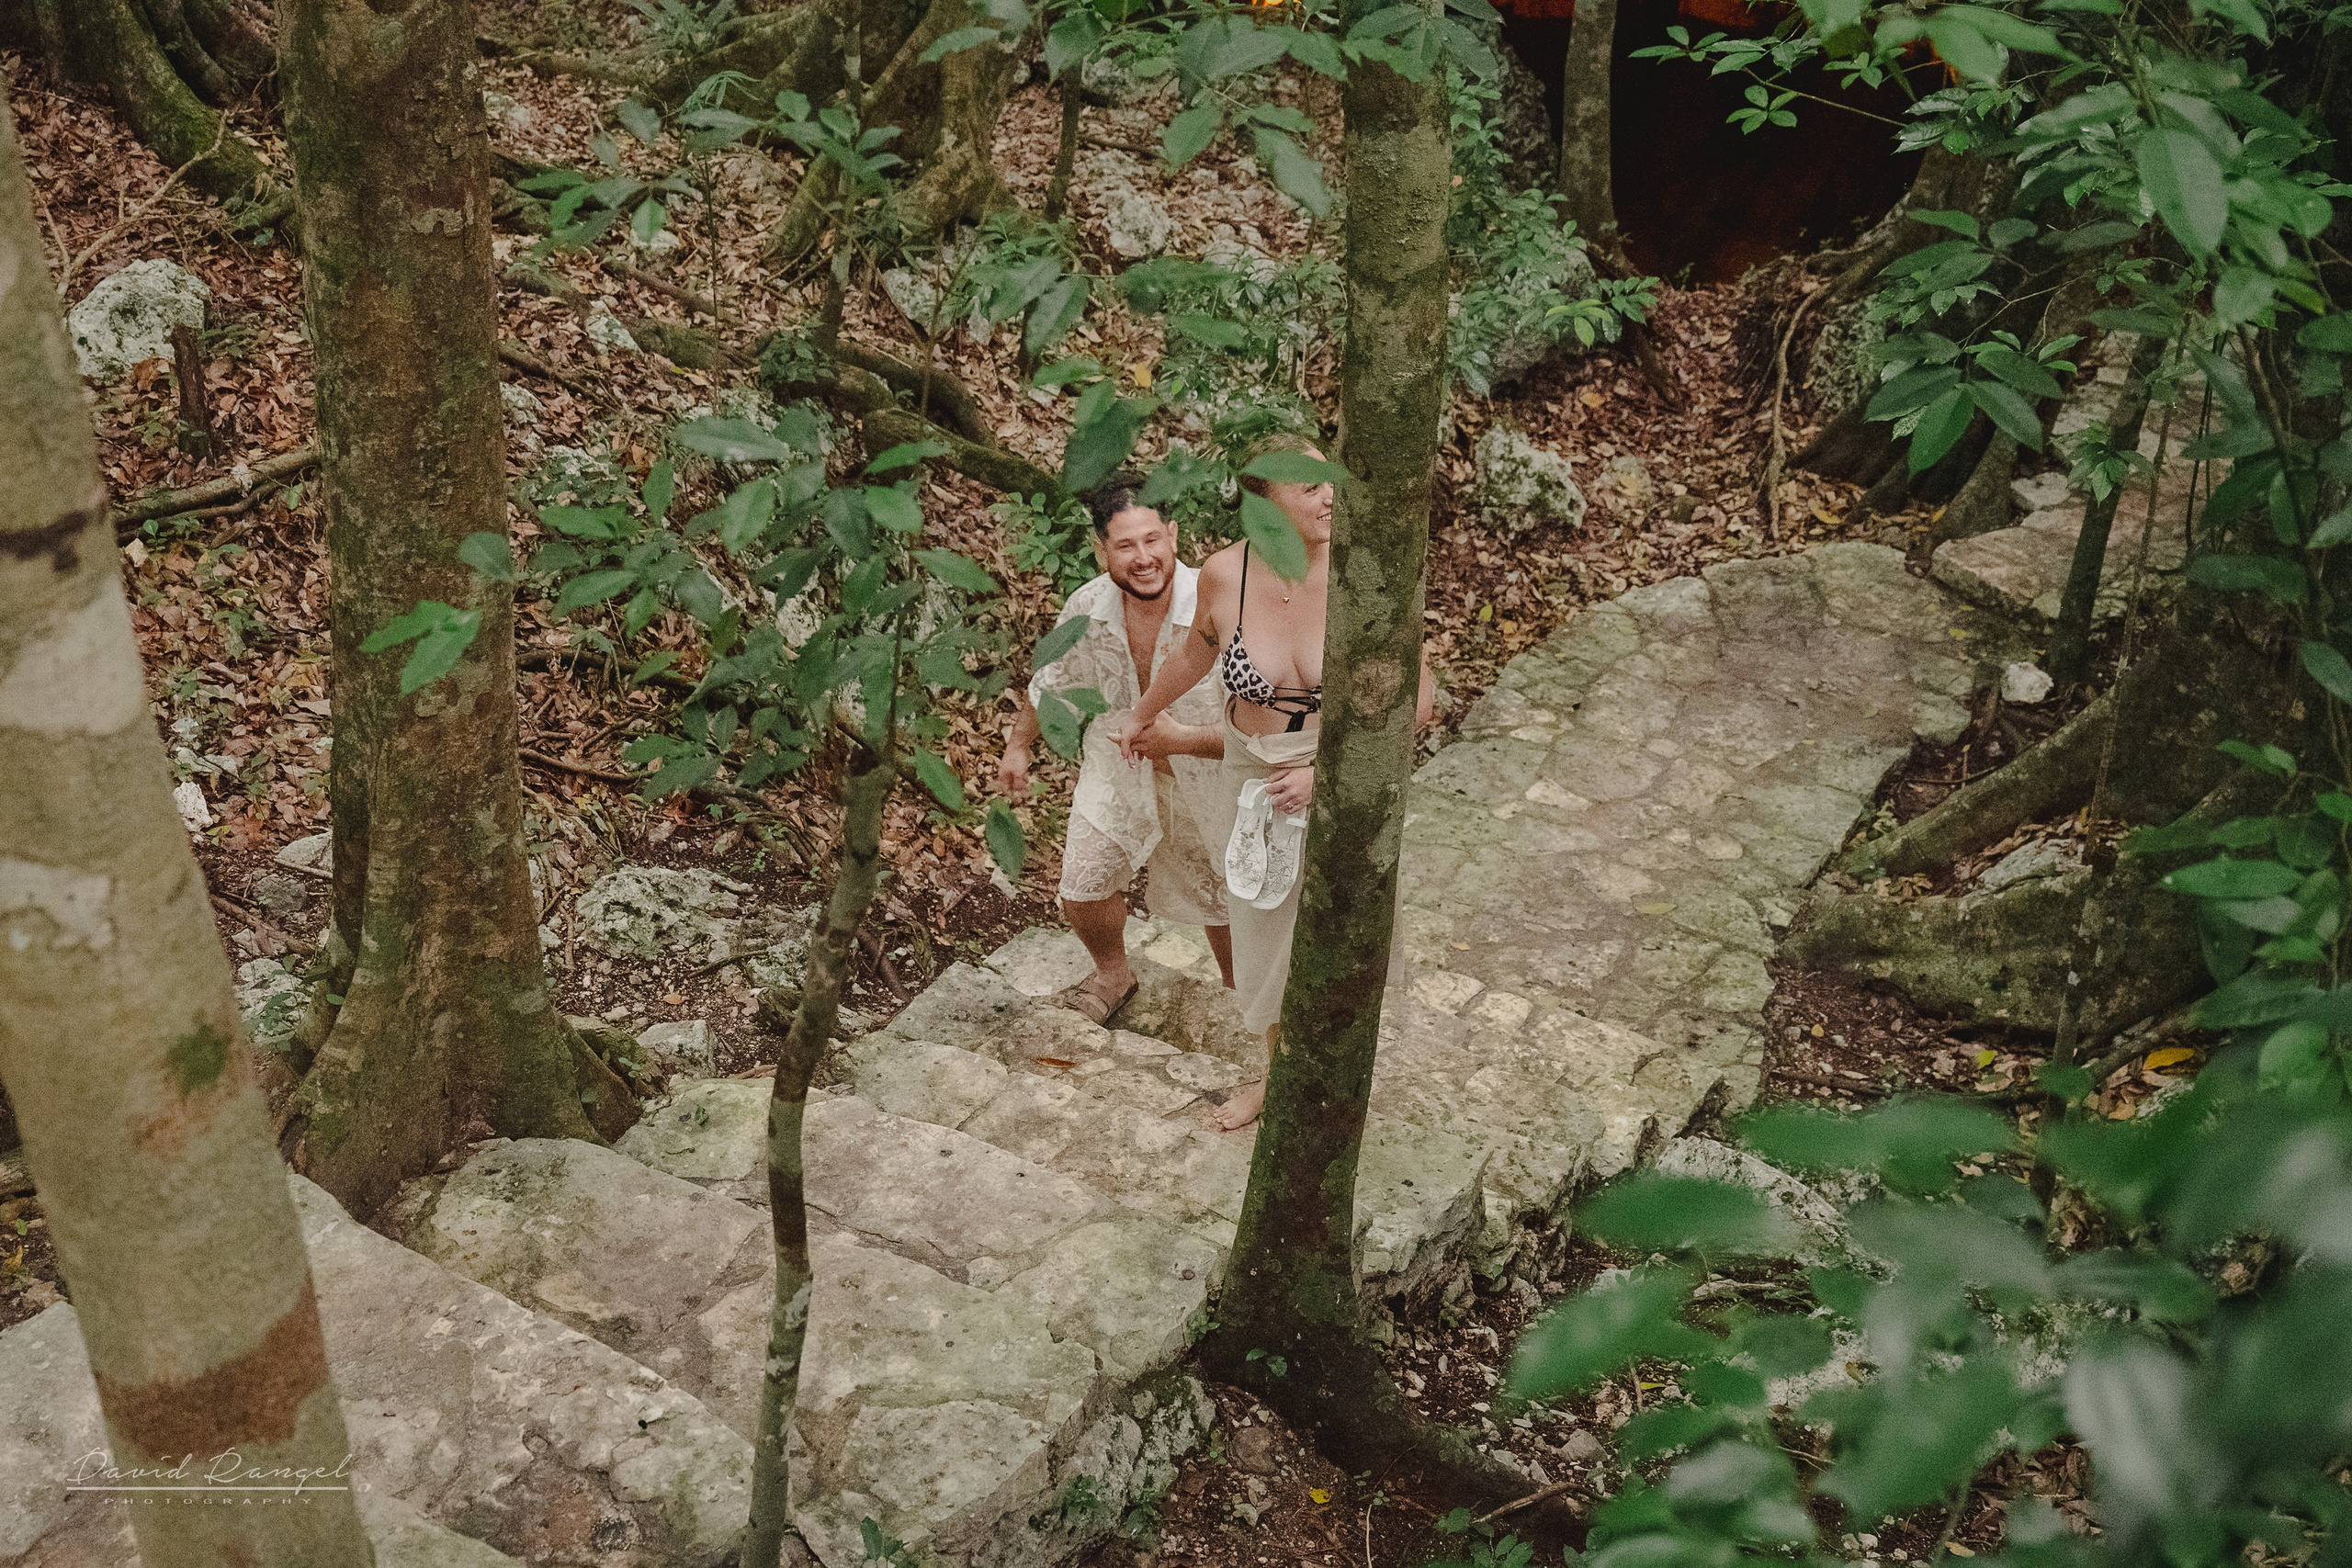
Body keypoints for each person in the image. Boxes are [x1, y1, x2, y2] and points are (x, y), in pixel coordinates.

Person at [1112, 434, 1435, 1131]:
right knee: (1259, 931)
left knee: (1342, 925)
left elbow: (1421, 698)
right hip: (1249, 773)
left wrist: (1328, 776)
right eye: (1309, 486)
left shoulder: (1366, 575)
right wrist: (1142, 713)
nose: (1329, 496)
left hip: (1342, 775)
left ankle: (1341, 1076)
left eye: (1331, 482)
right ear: (1263, 500)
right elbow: (1197, 649)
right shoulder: (1227, 574)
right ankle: (1273, 1073)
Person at [1001, 475, 1235, 1024]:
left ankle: (1242, 1001)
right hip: (1117, 764)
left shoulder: (1222, 604)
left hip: (1210, 770)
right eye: (1125, 545)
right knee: (1082, 883)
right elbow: (1050, 683)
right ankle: (1113, 974)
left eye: (1152, 539)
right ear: (1100, 549)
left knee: (1228, 903)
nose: (1143, 557)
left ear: (1174, 534)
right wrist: (1018, 747)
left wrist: (1184, 742)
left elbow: (1261, 728)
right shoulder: (1085, 605)